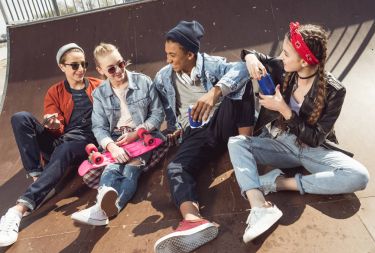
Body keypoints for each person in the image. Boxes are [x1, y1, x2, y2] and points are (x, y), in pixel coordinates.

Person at [227, 22, 370, 243]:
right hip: (280, 142)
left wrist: (283, 109)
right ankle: (259, 206)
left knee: (359, 176)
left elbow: (314, 138)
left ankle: (277, 183)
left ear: (304, 61)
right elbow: (254, 55)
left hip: (314, 150)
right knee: (236, 143)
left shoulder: (334, 90)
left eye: (286, 53)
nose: (281, 57)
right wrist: (250, 58)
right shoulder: (283, 68)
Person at [153, 20, 255, 253]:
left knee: (241, 84)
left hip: (224, 122)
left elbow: (241, 69)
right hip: (195, 132)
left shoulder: (212, 64)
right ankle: (193, 220)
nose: (168, 60)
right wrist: (173, 128)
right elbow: (164, 110)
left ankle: (247, 145)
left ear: (190, 54)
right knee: (175, 168)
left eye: (172, 55)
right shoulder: (163, 77)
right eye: (166, 54)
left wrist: (214, 93)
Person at [0, 43, 101, 247]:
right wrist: (53, 124)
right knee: (20, 118)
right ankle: (39, 176)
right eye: (74, 65)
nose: (80, 69)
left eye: (84, 64)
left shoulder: (98, 84)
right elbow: (55, 123)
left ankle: (18, 210)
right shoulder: (54, 92)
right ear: (62, 67)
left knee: (66, 148)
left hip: (86, 143)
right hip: (62, 140)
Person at [70, 43, 164, 225]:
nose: (119, 71)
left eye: (121, 64)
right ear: (100, 70)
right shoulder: (99, 94)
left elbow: (158, 114)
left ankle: (108, 209)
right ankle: (102, 205)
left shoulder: (143, 82)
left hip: (143, 137)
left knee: (130, 169)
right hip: (116, 139)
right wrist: (112, 147)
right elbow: (98, 127)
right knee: (112, 169)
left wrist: (136, 134)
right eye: (111, 69)